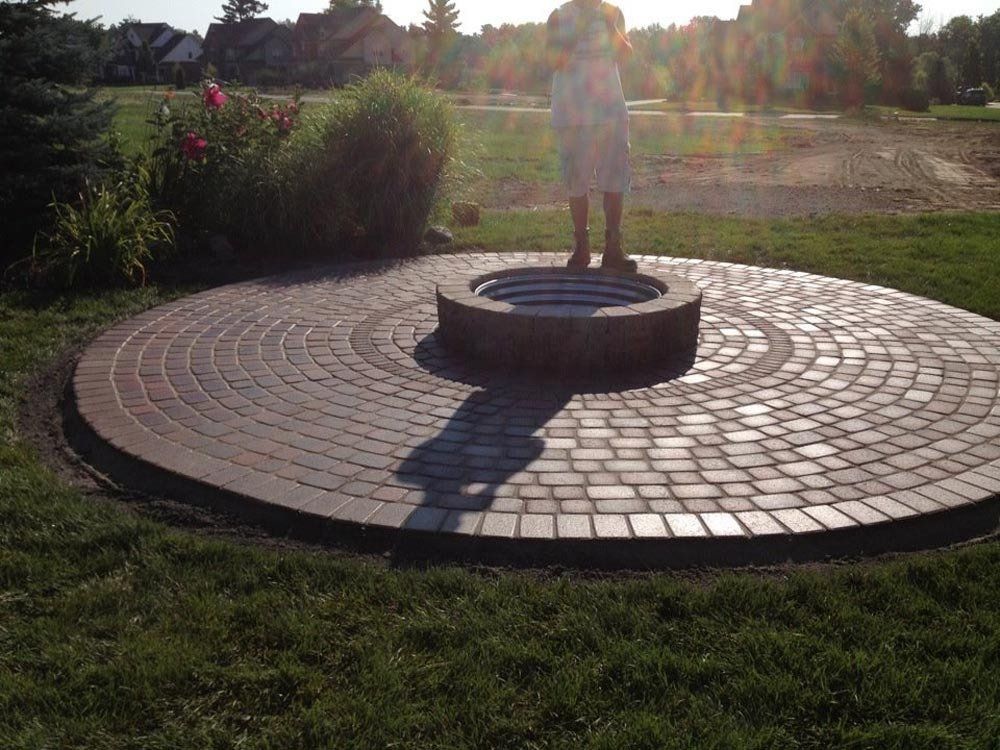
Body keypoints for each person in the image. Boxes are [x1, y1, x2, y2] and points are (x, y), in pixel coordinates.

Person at [547, 0, 636, 271]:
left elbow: (627, 56)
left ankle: (613, 248)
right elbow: (552, 61)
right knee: (577, 182)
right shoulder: (558, 16)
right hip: (573, 114)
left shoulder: (614, 13)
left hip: (610, 112)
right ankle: (581, 247)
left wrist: (612, 29)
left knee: (614, 180)